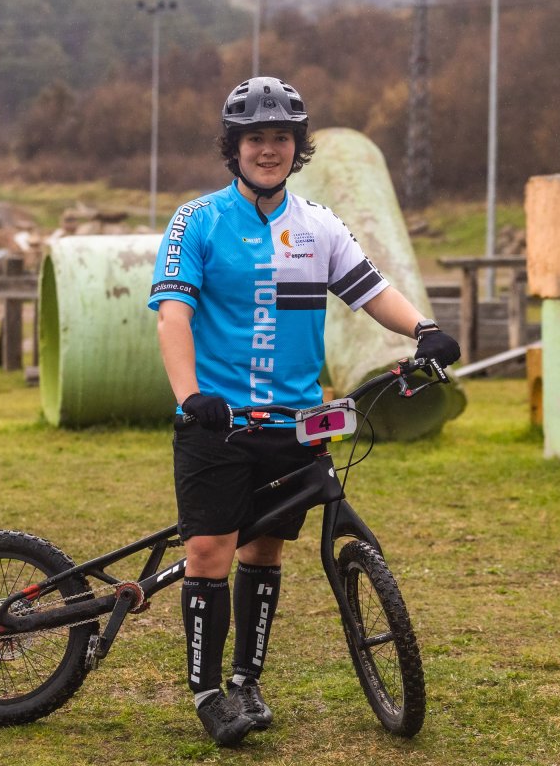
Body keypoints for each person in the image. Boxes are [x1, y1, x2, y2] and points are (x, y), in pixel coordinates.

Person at [147, 76, 460, 746]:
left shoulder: (316, 226)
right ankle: (208, 694)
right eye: (255, 138)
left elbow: (371, 290)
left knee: (265, 551)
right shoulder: (196, 221)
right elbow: (173, 315)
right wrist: (189, 396)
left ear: (298, 148)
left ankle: (245, 683)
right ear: (234, 148)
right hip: (218, 423)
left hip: (294, 425)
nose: (269, 150)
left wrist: (424, 330)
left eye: (281, 138)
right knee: (208, 551)